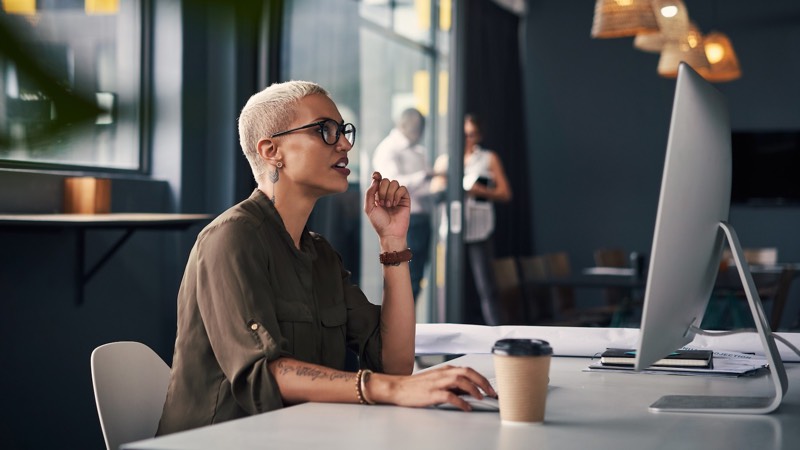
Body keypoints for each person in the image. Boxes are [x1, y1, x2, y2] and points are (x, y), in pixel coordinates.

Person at [156, 81, 496, 435]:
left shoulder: (320, 255)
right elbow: (262, 375)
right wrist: (387, 389)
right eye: (326, 130)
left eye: (344, 131)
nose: (346, 144)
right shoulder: (229, 238)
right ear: (272, 150)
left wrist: (393, 243)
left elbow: (394, 365)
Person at [431, 114, 512, 325]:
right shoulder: (445, 160)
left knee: (486, 286)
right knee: (449, 286)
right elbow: (435, 193)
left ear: (479, 136)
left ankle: (495, 333)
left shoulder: (488, 158)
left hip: (479, 228)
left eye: (471, 134)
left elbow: (505, 193)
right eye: (463, 134)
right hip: (452, 229)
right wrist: (449, 187)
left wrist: (482, 191)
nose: (467, 138)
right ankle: (447, 330)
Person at [372, 108, 433, 302]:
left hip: (421, 220)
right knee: (403, 277)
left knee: (416, 277)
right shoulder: (388, 149)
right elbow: (392, 184)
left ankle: (406, 329)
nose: (420, 133)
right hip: (404, 222)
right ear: (406, 125)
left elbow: (420, 189)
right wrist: (425, 176)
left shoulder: (418, 151)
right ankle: (397, 329)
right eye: (418, 128)